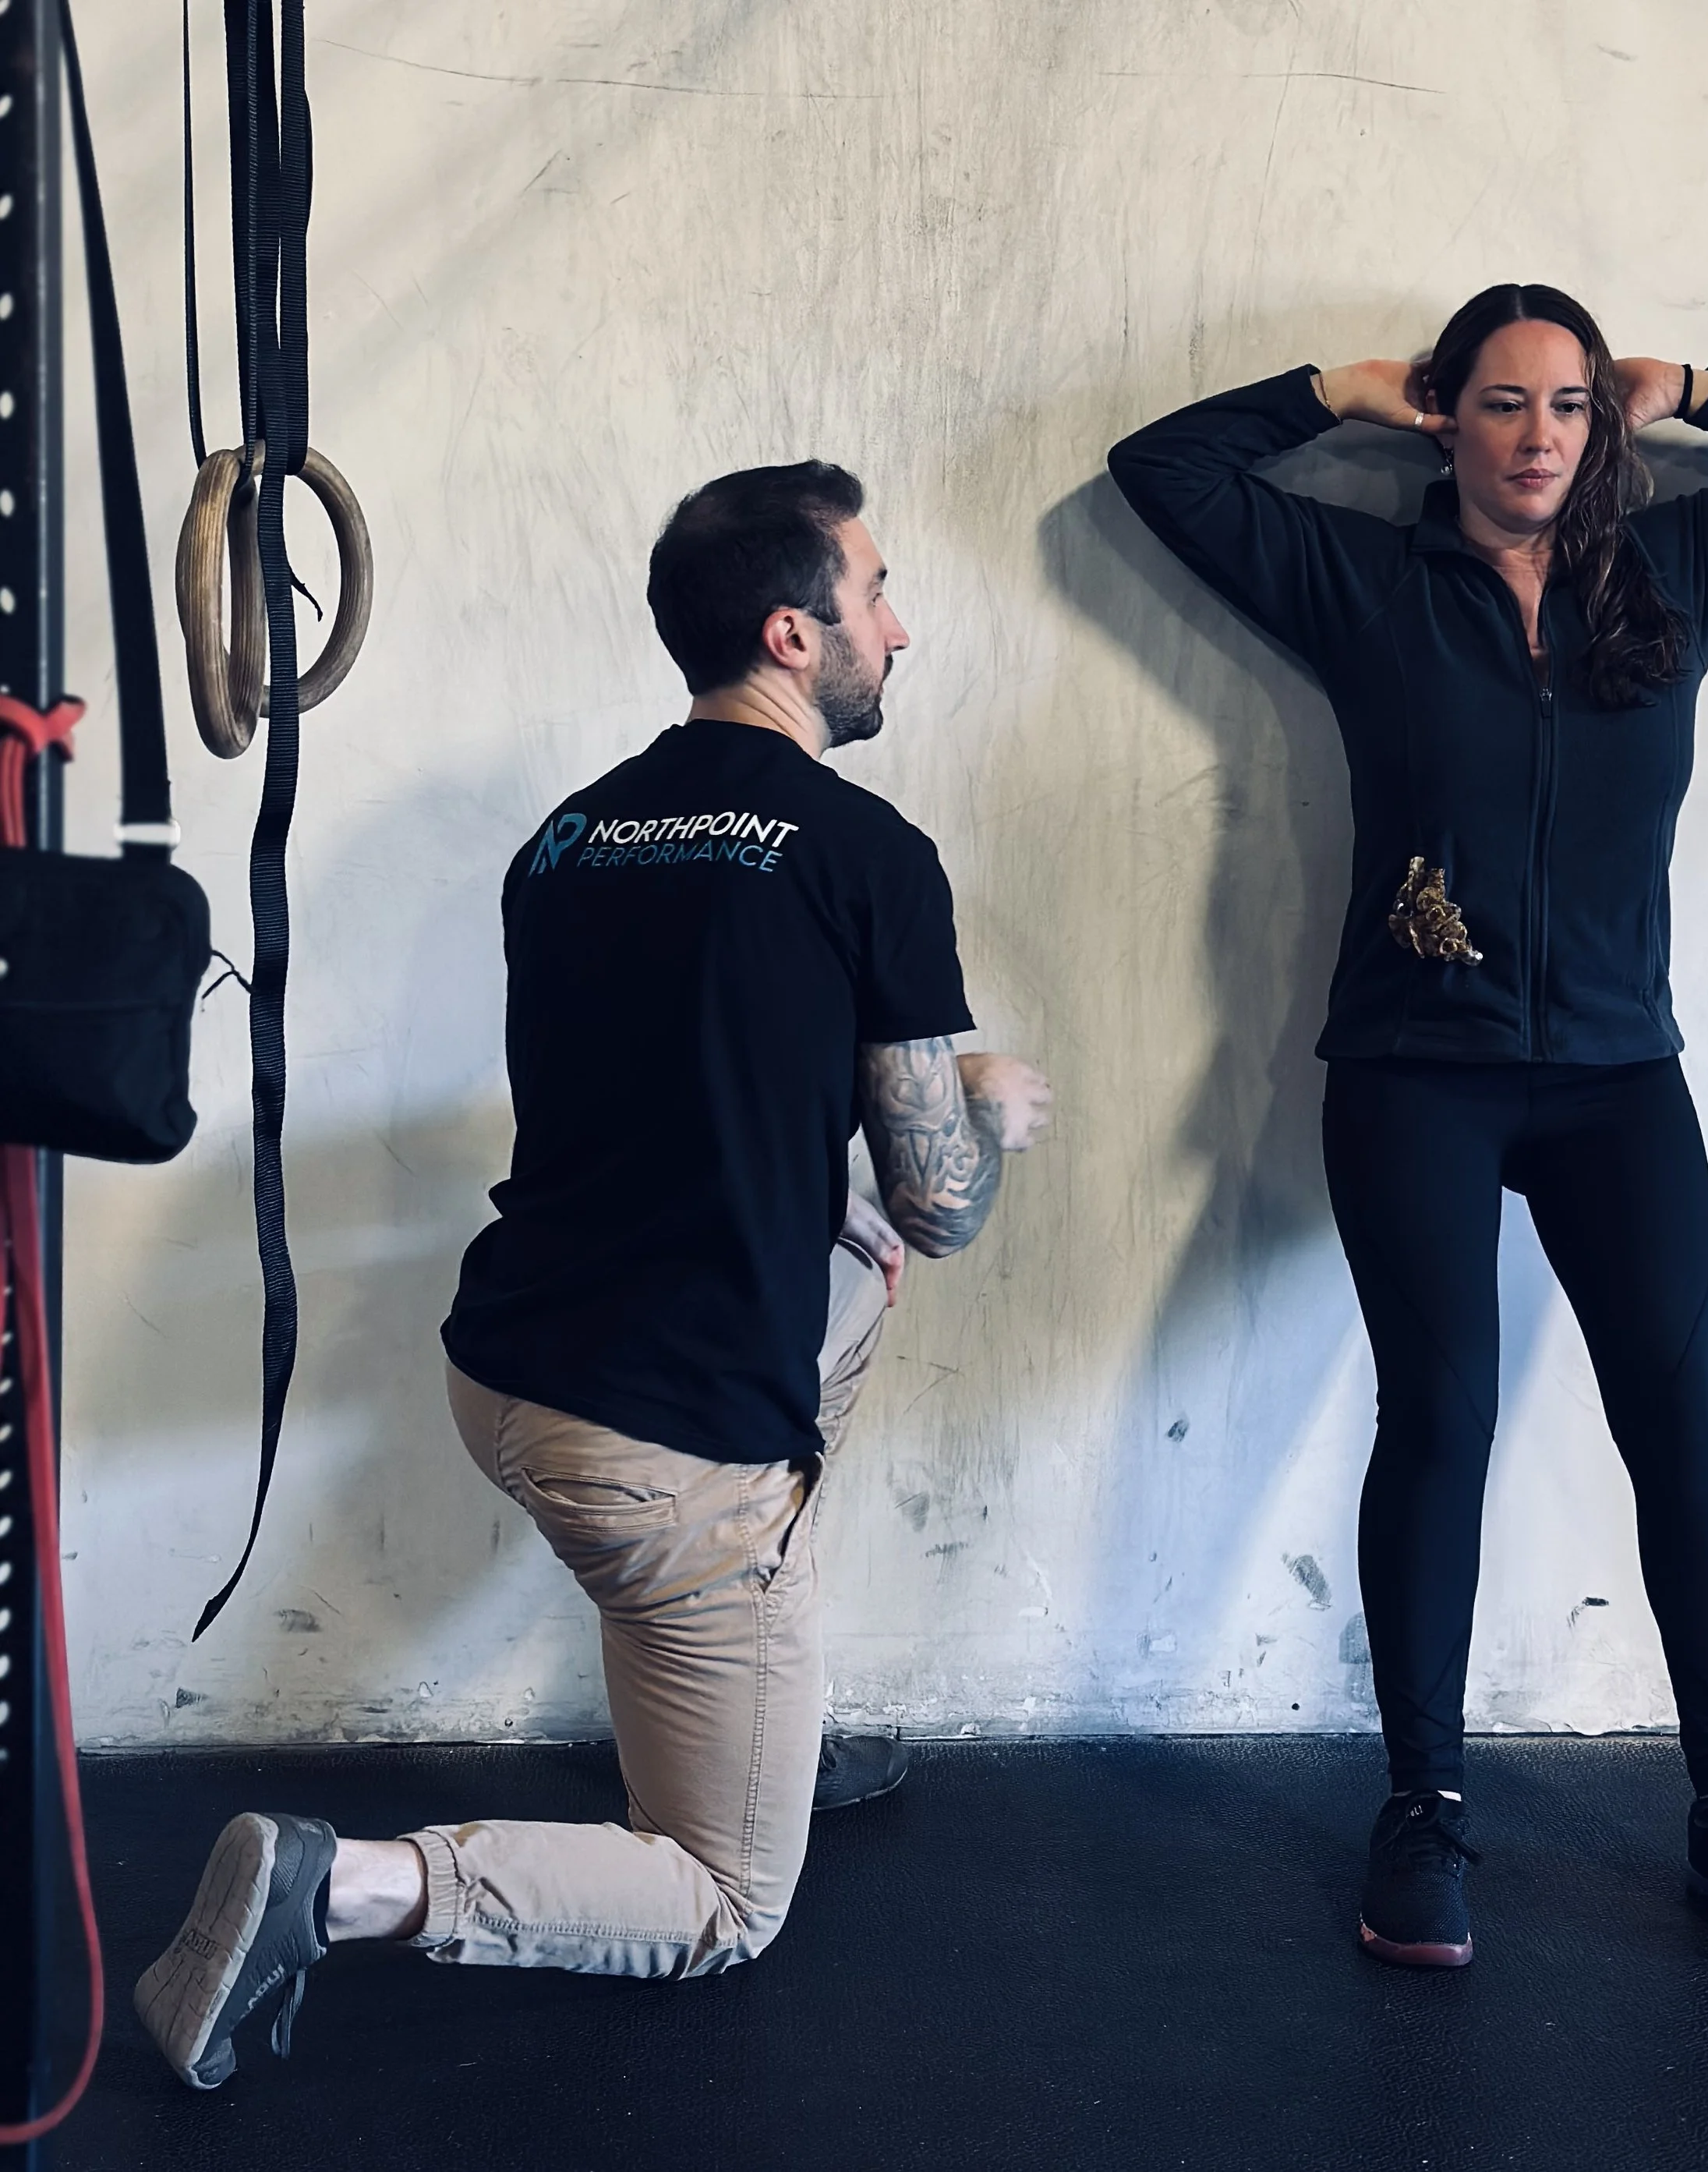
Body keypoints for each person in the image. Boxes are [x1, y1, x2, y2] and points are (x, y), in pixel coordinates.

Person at [136, 462, 1054, 2086]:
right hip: (661, 1448)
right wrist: (988, 1106)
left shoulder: (567, 841)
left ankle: (762, 1706)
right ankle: (339, 1882)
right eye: (876, 593)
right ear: (793, 629)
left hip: (509, 1367)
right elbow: (941, 1207)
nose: (898, 630)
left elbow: (690, 1111)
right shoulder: (864, 852)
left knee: (842, 1278)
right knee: (718, 1899)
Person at [1108, 284, 1708, 1969]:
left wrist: (1693, 380)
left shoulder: (1678, 568)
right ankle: (1423, 1810)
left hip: (1620, 1075)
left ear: (1598, 427)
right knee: (1442, 1414)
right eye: (1497, 406)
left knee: (1677, 1418)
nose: (1535, 438)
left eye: (1563, 408)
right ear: (1443, 421)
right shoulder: (1358, 579)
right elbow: (1163, 469)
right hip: (1416, 1069)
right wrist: (1329, 387)